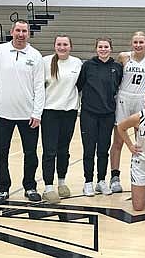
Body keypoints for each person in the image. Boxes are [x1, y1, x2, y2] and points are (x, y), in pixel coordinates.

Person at [0, 19, 45, 205]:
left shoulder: (35, 55)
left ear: (29, 34)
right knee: (0, 153)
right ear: (12, 32)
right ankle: (2, 189)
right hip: (2, 114)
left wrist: (37, 113)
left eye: (24, 31)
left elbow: (39, 87)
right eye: (18, 30)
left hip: (28, 116)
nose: (21, 34)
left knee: (31, 153)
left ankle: (30, 186)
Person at [109, 31, 145, 193]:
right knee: (118, 140)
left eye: (141, 42)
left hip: (141, 100)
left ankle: (143, 177)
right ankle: (114, 177)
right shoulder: (124, 57)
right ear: (131, 43)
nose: (138, 45)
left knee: (142, 141)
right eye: (135, 42)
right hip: (123, 99)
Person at [76, 37, 123, 197]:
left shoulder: (117, 67)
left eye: (106, 47)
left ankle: (101, 181)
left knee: (103, 150)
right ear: (96, 49)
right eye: (100, 47)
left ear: (111, 49)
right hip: (89, 114)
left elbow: (118, 88)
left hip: (108, 115)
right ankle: (88, 182)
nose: (103, 49)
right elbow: (79, 85)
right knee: (89, 150)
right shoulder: (88, 66)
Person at [41, 34, 83, 204]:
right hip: (49, 112)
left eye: (65, 44)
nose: (62, 47)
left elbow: (79, 86)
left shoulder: (77, 63)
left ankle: (62, 182)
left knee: (63, 150)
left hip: (69, 112)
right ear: (54, 46)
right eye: (59, 44)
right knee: (49, 151)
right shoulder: (45, 62)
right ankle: (48, 187)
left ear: (70, 47)